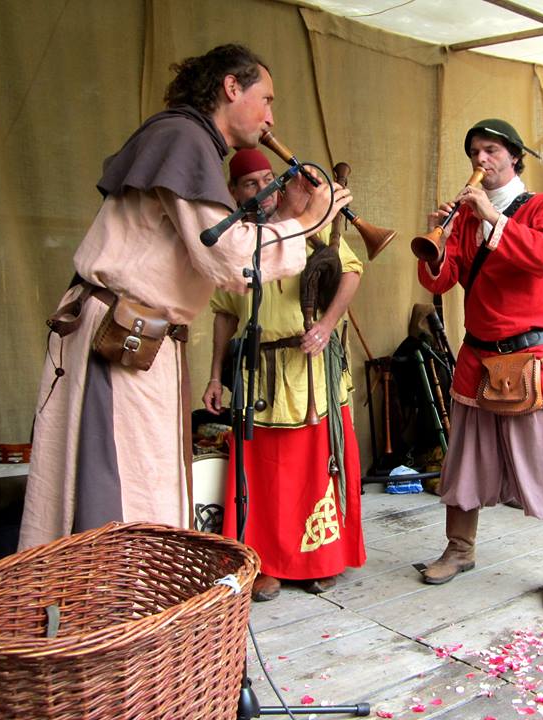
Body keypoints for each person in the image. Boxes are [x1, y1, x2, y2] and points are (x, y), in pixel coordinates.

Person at [19, 44, 351, 550]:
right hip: (120, 337)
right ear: (231, 87)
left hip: (136, 337)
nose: (270, 117)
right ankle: (113, 612)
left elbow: (214, 249)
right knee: (120, 486)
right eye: (266, 99)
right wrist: (308, 221)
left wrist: (293, 219)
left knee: (138, 481)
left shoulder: (186, 142)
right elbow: (229, 261)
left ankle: (119, 606)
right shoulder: (182, 138)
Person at [416, 118, 543, 611]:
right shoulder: (467, 219)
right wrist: (437, 243)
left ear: (514, 157)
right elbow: (442, 279)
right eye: (474, 151)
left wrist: (493, 219)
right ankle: (460, 550)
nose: (481, 160)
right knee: (464, 463)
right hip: (478, 354)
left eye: (491, 150)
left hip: (531, 357)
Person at [202, 148, 365, 601]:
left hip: (313, 372)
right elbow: (223, 315)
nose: (260, 190)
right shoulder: (233, 240)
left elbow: (350, 272)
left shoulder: (311, 224)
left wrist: (328, 323)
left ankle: (320, 559)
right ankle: (266, 564)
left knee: (318, 468)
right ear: (234, 192)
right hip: (261, 375)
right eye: (249, 183)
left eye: (267, 179)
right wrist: (216, 376)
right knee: (268, 478)